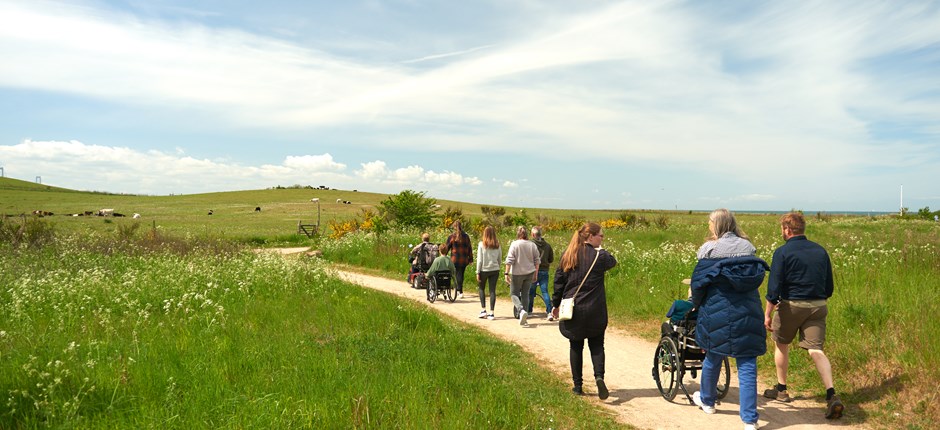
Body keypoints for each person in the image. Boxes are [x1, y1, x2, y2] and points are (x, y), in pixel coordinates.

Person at [689, 209, 768, 430]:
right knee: (747, 365)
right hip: (749, 312)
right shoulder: (749, 249)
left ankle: (707, 401)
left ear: (717, 225)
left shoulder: (709, 251)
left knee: (713, 357)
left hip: (718, 312)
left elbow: (698, 284)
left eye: (710, 223)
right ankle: (750, 420)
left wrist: (697, 303)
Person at [763, 212, 844, 420]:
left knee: (781, 343)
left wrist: (768, 314)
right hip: (818, 306)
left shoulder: (782, 252)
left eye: (782, 229)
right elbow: (828, 287)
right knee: (816, 349)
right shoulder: (820, 251)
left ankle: (781, 390)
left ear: (787, 229)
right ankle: (831, 393)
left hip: (791, 306)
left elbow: (774, 288)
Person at [550, 222, 617, 399]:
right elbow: (613, 261)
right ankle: (599, 377)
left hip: (574, 310)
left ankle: (578, 386)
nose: (602, 239)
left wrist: (555, 304)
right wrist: (601, 250)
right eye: (600, 236)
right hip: (595, 309)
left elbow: (559, 282)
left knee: (575, 345)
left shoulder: (569, 254)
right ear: (590, 236)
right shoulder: (600, 257)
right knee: (597, 345)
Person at [504, 226, 540, 326]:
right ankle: (525, 317)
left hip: (517, 273)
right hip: (529, 272)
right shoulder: (532, 245)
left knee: (513, 294)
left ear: (518, 234)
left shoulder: (514, 244)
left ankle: (520, 310)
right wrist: (536, 273)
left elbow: (509, 260)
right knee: (525, 294)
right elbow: (537, 261)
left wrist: (506, 273)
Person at [527, 226, 555, 320]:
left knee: (531, 291)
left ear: (533, 234)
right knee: (545, 291)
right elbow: (551, 259)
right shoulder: (547, 245)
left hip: (533, 271)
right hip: (544, 271)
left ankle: (529, 310)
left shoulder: (531, 244)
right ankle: (549, 312)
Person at [476, 226, 502, 320]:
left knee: (481, 288)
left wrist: (477, 271)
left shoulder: (481, 244)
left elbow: (479, 260)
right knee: (492, 291)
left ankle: (483, 310)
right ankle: (492, 312)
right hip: (495, 269)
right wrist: (498, 267)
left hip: (484, 269)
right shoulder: (497, 244)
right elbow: (500, 258)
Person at [445, 221, 473, 299]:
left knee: (456, 274)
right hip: (464, 259)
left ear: (454, 227)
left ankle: (458, 290)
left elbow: (447, 247)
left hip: (454, 259)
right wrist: (470, 259)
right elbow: (469, 248)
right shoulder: (466, 236)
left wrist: (444, 255)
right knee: (461, 274)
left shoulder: (452, 237)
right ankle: (459, 290)